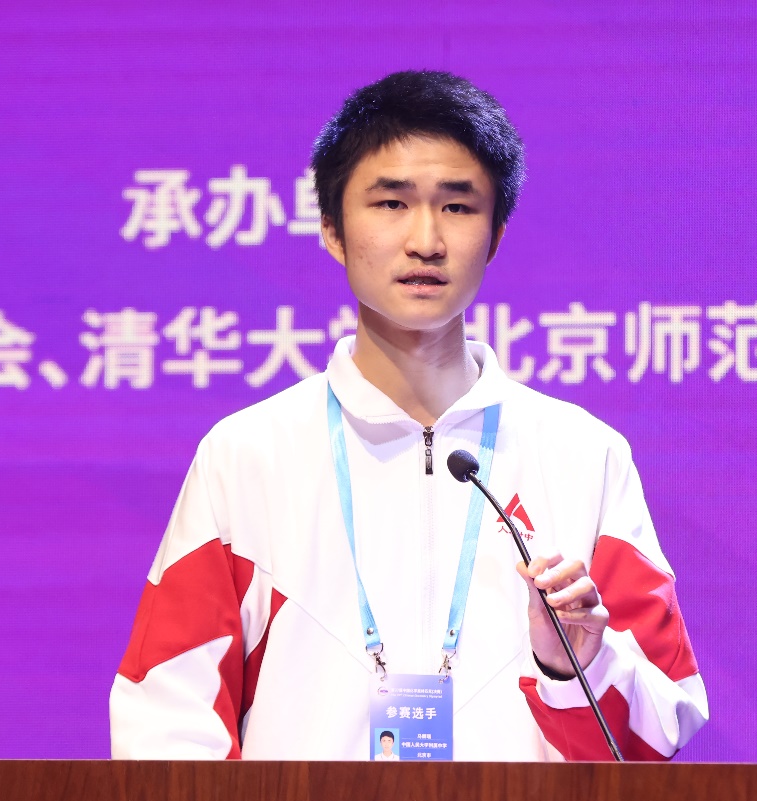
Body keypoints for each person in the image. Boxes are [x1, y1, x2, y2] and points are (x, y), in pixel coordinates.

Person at [110, 70, 708, 762]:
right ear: (332, 229)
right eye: (391, 203)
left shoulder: (583, 454)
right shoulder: (248, 454)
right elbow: (167, 720)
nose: (426, 240)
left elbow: (662, 729)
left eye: (457, 207)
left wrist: (575, 665)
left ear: (496, 234)